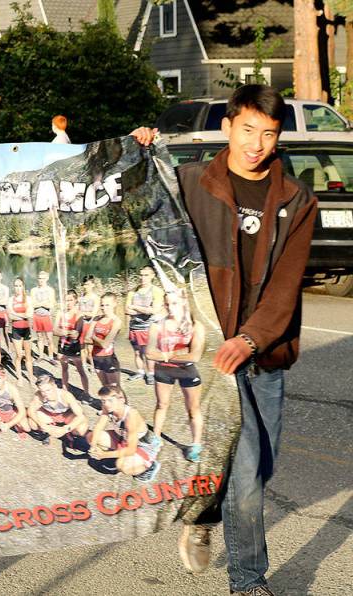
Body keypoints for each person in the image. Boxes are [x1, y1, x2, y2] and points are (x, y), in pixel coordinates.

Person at [131, 84, 318, 595]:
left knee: (259, 468)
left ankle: (204, 513)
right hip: (208, 352)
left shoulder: (298, 201)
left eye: (269, 135)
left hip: (263, 354)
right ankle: (249, 581)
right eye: (248, 130)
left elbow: (285, 285)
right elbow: (134, 209)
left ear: (279, 139)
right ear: (228, 127)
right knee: (245, 476)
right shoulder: (192, 182)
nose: (256, 144)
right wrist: (137, 154)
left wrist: (253, 339)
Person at [145, 288, 207, 461]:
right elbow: (149, 353)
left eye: (174, 303)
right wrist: (178, 354)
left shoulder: (195, 325)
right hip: (164, 370)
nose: (170, 307)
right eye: (167, 304)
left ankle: (195, 445)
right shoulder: (157, 325)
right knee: (161, 405)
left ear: (183, 302)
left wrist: (165, 355)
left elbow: (195, 356)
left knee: (193, 409)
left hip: (186, 370)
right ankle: (156, 439)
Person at [87, 386, 160, 482]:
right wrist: (93, 446)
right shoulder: (108, 408)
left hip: (142, 446)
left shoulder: (131, 416)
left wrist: (104, 455)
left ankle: (149, 466)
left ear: (121, 400)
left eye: (110, 400)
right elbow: (99, 426)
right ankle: (120, 454)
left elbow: (131, 450)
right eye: (103, 401)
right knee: (91, 437)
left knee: (122, 465)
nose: (106, 404)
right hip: (123, 439)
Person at [124, 266, 165, 384]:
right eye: (141, 275)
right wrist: (144, 309)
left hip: (148, 327)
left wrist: (135, 307)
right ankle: (140, 372)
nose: (143, 278)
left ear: (152, 276)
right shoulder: (133, 291)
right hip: (134, 327)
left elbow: (153, 310)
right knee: (137, 352)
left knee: (149, 352)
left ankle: (151, 374)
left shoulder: (156, 291)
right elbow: (127, 310)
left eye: (146, 275)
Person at [26, 374, 89, 447]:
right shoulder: (39, 395)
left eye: (48, 390)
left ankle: (69, 435)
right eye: (42, 391)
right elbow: (30, 410)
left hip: (65, 415)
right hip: (49, 414)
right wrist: (42, 424)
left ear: (54, 386)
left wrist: (67, 428)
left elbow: (81, 416)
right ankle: (46, 433)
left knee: (82, 429)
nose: (46, 393)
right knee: (32, 423)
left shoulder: (65, 396)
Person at [54, 290, 90, 399]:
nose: (68, 303)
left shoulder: (78, 314)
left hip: (74, 346)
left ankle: (86, 393)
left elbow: (76, 334)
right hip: (62, 345)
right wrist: (62, 332)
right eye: (66, 300)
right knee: (64, 368)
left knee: (80, 370)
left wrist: (66, 332)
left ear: (75, 300)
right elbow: (54, 330)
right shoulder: (60, 313)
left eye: (70, 300)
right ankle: (65, 390)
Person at [88, 292, 123, 390]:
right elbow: (86, 338)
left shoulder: (116, 321)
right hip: (96, 357)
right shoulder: (96, 319)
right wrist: (97, 340)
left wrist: (93, 337)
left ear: (114, 304)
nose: (104, 308)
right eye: (102, 305)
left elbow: (105, 344)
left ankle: (125, 405)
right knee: (105, 387)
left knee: (115, 388)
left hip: (109, 358)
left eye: (107, 305)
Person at [8, 277, 35, 386]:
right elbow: (10, 315)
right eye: (16, 286)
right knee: (19, 355)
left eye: (20, 286)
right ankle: (19, 377)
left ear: (23, 286)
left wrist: (16, 314)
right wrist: (21, 315)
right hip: (16, 330)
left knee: (28, 356)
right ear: (13, 287)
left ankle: (31, 377)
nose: (18, 288)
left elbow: (29, 314)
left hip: (26, 329)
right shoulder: (11, 299)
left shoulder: (28, 299)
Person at [30, 270, 57, 361]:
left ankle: (51, 357)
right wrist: (44, 303)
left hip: (46, 316)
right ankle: (41, 356)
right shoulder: (34, 290)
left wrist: (39, 304)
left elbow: (51, 305)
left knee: (49, 338)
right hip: (37, 316)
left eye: (43, 279)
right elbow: (32, 304)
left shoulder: (50, 290)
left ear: (47, 278)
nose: (41, 280)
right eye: (39, 278)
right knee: (39, 337)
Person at [78, 275, 101, 373]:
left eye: (87, 284)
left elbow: (94, 313)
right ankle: (83, 364)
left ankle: (92, 365)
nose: (85, 287)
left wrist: (83, 313)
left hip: (91, 324)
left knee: (90, 348)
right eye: (84, 285)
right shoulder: (81, 298)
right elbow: (78, 311)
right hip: (82, 324)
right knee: (82, 346)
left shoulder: (95, 298)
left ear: (92, 285)